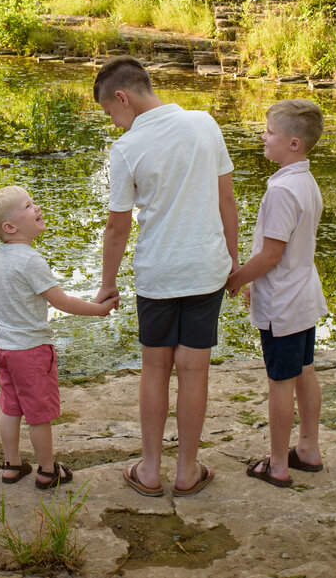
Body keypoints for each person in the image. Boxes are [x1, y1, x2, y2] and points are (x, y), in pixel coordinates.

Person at [94, 56, 238, 498]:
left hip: (159, 273)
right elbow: (226, 201)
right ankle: (188, 472)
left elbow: (118, 227)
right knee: (195, 371)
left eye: (109, 113)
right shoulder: (203, 123)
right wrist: (233, 264)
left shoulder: (127, 149)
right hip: (205, 270)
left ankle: (151, 471)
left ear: (123, 97)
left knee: (155, 369)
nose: (115, 124)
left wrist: (107, 283)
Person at [0, 185, 116, 490]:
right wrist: (98, 310)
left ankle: (12, 465)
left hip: (4, 347)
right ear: (10, 227)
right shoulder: (31, 261)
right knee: (39, 414)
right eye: (28, 206)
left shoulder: (0, 257)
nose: (36, 207)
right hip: (31, 350)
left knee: (11, 408)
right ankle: (47, 471)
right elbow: (61, 301)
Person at [226, 99, 328, 487]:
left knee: (280, 383)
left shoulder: (283, 191)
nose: (263, 137)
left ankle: (278, 465)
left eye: (270, 132)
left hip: (283, 305)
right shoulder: (304, 181)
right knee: (304, 371)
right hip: (302, 296)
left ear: (294, 143)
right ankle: (308, 450)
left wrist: (236, 279)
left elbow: (270, 255)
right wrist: (253, 280)